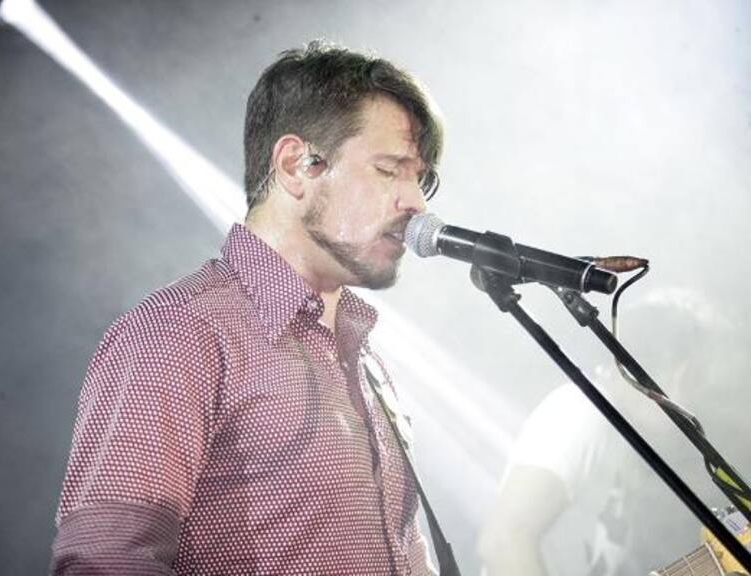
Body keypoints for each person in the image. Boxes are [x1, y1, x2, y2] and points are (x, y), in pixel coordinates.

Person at [50, 40, 443, 575]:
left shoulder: (365, 355)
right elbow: (108, 561)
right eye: (390, 169)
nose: (416, 202)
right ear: (296, 165)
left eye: (422, 178)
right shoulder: (180, 332)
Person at [477, 288, 740, 576]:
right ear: (681, 372)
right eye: (699, 380)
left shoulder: (624, 440)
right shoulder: (580, 412)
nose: (699, 402)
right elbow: (503, 542)